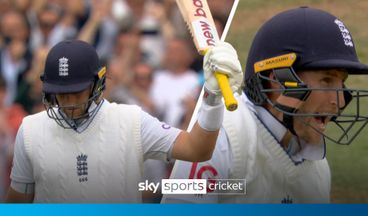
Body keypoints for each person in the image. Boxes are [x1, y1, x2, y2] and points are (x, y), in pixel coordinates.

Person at [162, 7, 368, 203]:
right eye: (327, 81)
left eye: (342, 84)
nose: (339, 101)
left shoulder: (318, 171)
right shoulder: (219, 136)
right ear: (278, 80)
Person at [5, 39, 242, 203]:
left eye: (77, 92)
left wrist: (212, 98)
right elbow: (18, 202)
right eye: (61, 93)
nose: (68, 102)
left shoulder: (130, 121)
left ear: (98, 84)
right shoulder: (31, 129)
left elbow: (197, 149)